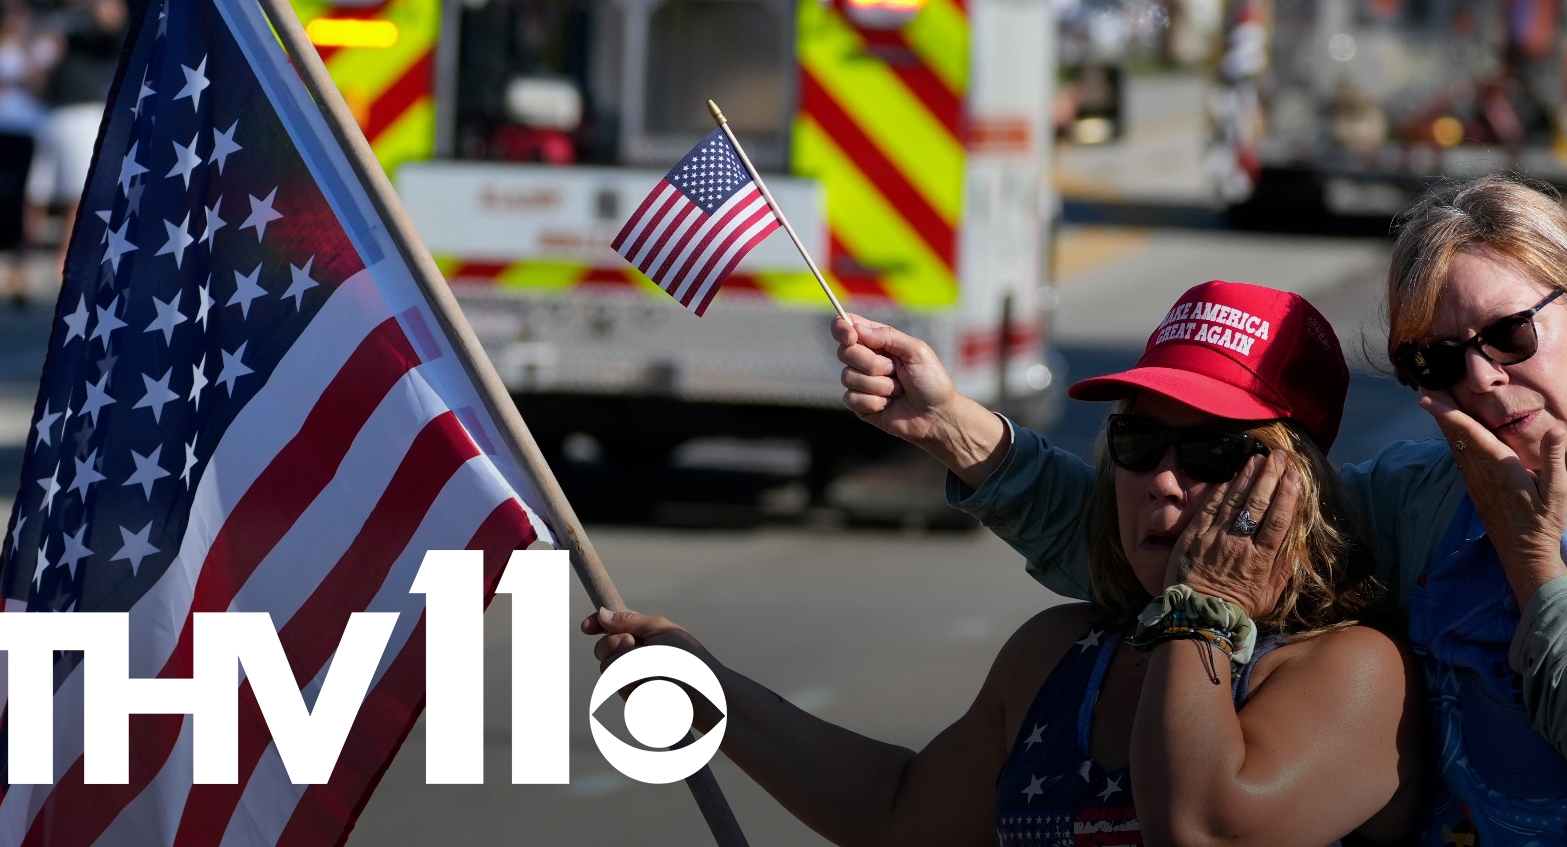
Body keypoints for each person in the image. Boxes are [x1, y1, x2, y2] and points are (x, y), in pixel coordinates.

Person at [834, 174, 1567, 847]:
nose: (1482, 378)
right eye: (1436, 359)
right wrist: (957, 429)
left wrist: (1534, 568)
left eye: (1512, 334)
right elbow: (1177, 529)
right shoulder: (1428, 499)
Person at [587, 281, 1428, 847]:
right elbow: (899, 812)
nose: (1164, 480)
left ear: (1295, 480)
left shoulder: (1352, 669)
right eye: (1137, 442)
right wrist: (714, 693)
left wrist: (1203, 607)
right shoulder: (1058, 653)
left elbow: (1202, 827)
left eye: (1212, 452)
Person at [28, 0, 126, 267]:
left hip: (85, 110)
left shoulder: (98, 3)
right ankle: (27, 261)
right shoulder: (50, 8)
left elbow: (112, 19)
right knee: (37, 194)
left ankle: (64, 262)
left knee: (76, 193)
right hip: (51, 111)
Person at [0, 0, 54, 304]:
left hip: (26, 129)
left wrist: (20, 71)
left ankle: (19, 276)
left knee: (22, 201)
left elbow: (39, 86)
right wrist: (8, 81)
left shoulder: (35, 46)